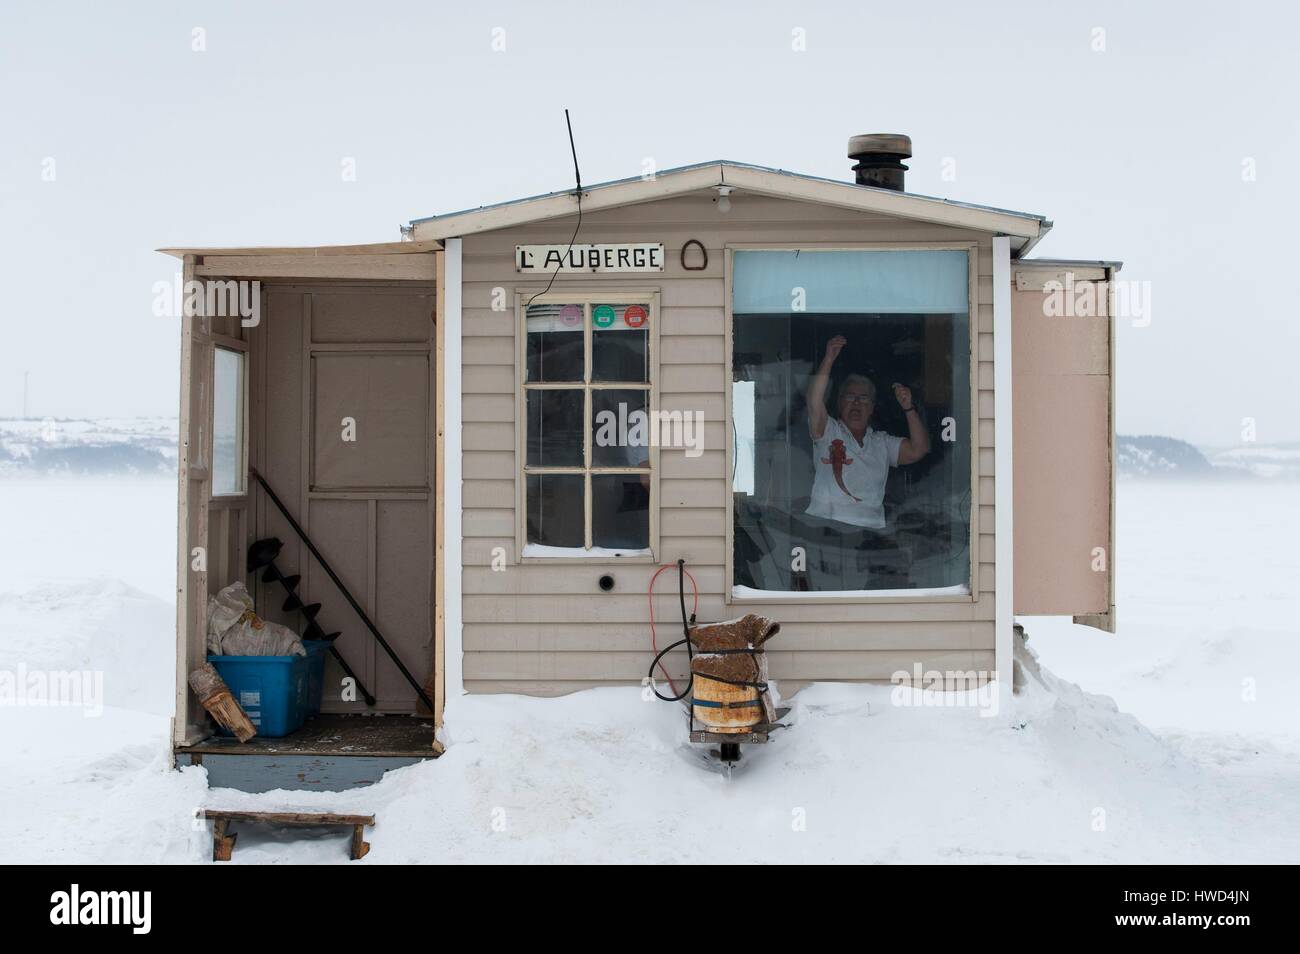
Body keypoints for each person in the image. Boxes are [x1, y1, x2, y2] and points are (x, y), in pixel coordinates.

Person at [805, 334, 930, 530]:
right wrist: (828, 358)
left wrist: (908, 408)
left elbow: (919, 449)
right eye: (850, 397)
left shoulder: (882, 442)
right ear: (839, 403)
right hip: (825, 531)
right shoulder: (828, 431)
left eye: (863, 399)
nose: (856, 403)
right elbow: (814, 402)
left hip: (868, 535)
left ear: (872, 408)